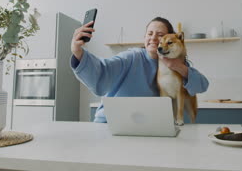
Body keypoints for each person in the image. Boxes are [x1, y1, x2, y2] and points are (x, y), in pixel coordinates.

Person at [70, 17, 209, 123]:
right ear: (144, 38)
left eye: (160, 35)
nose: (153, 38)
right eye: (149, 34)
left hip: (147, 128)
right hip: (110, 124)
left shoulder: (177, 64)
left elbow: (202, 85)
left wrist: (178, 67)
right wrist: (78, 52)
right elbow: (102, 71)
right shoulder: (132, 57)